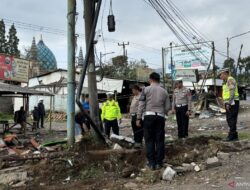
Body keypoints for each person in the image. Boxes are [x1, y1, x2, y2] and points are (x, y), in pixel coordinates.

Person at [137, 72, 170, 170]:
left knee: (149, 140)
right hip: (160, 117)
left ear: (150, 79)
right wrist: (162, 112)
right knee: (159, 140)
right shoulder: (164, 91)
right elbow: (167, 107)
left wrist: (138, 118)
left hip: (149, 117)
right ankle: (159, 163)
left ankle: (151, 163)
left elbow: (141, 105)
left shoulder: (145, 90)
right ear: (159, 80)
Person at [218, 68, 239, 141]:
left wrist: (229, 103)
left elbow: (232, 92)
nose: (220, 76)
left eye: (220, 75)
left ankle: (231, 136)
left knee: (231, 119)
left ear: (225, 73)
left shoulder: (230, 79)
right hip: (230, 102)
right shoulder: (225, 81)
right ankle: (235, 135)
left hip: (232, 102)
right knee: (231, 119)